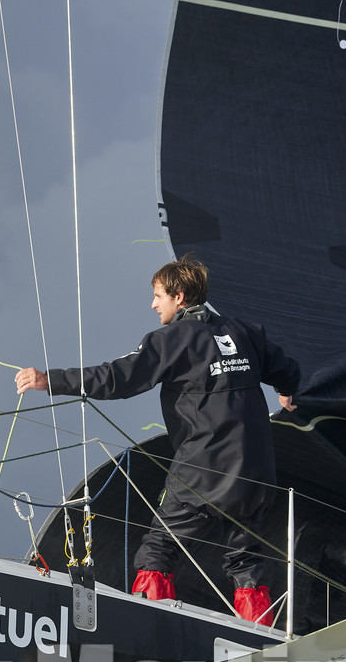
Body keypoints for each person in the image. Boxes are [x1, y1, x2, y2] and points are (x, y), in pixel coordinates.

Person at [15, 255, 300, 624]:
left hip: (203, 471)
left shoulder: (172, 339)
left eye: (158, 296)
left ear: (179, 297)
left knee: (158, 549)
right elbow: (287, 368)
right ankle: (261, 637)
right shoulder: (244, 331)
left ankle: (146, 626)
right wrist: (287, 392)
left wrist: (49, 380)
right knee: (245, 558)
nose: (153, 304)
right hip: (257, 473)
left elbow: (118, 377)